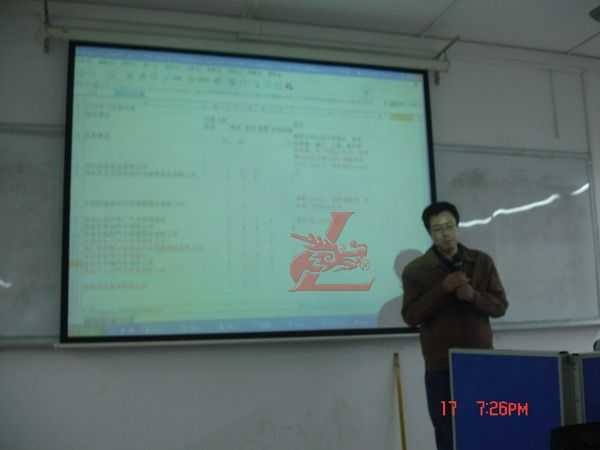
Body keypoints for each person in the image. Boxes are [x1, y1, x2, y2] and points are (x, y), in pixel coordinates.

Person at [401, 201, 508, 450]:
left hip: (481, 363)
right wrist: (443, 289)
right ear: (429, 233)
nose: (445, 233)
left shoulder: (481, 262)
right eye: (437, 229)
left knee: (485, 429)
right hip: (441, 368)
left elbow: (500, 306)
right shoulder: (416, 271)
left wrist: (474, 296)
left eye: (449, 226)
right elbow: (411, 316)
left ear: (457, 227)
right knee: (447, 432)